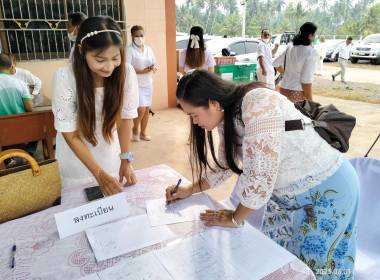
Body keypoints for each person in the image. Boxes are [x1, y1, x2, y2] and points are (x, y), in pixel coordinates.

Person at [166, 69, 359, 279]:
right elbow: (224, 164)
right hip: (288, 199)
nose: (194, 122)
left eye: (194, 115)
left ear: (213, 103)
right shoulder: (228, 115)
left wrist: (234, 218)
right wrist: (188, 189)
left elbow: (261, 176)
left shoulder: (257, 103)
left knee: (318, 265)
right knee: (282, 262)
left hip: (327, 190)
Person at [52, 16, 139, 195]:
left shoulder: (126, 72)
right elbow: (70, 133)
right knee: (81, 206)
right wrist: (98, 173)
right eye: (100, 60)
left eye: (115, 57)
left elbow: (126, 118)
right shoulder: (65, 77)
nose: (109, 67)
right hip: (76, 156)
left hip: (109, 151)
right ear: (82, 50)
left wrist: (125, 159)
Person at [0, 53, 35, 167]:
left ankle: (6, 158)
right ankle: (29, 154)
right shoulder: (20, 83)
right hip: (21, 128)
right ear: (11, 67)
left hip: (2, 131)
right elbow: (29, 108)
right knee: (39, 127)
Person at [273, 22, 319, 102]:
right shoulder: (311, 52)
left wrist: (286, 72)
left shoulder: (290, 48)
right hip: (297, 91)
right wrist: (310, 102)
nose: (315, 37)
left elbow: (275, 63)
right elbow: (306, 80)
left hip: (284, 88)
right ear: (310, 36)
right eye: (315, 35)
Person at [126, 25, 156, 142]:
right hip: (136, 83)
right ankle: (135, 129)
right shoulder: (129, 50)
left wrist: (152, 68)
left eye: (141, 35)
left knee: (147, 108)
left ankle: (143, 133)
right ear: (132, 36)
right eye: (137, 36)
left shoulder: (148, 49)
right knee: (141, 109)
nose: (139, 38)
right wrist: (142, 71)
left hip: (148, 82)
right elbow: (127, 67)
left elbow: (153, 62)